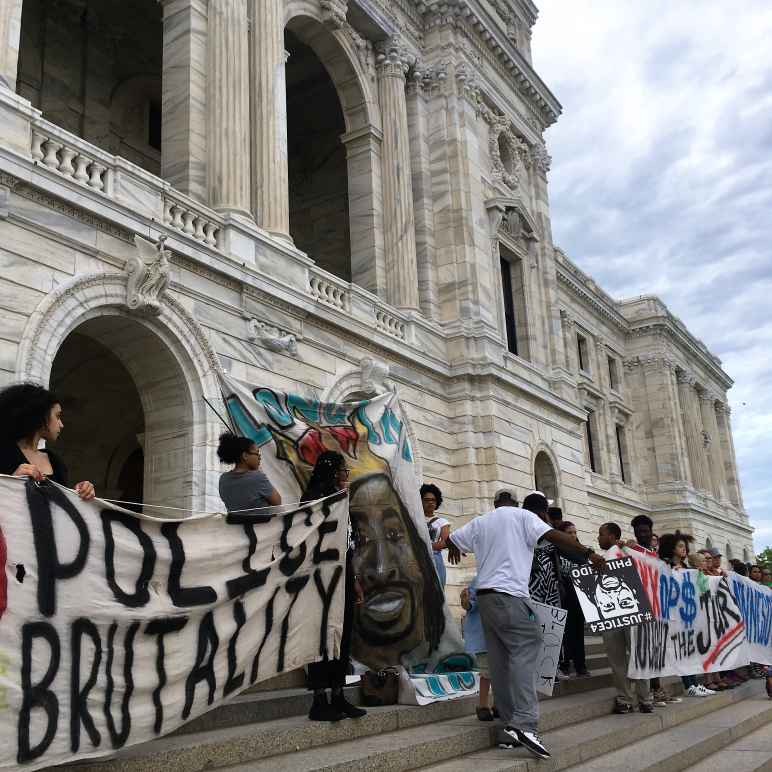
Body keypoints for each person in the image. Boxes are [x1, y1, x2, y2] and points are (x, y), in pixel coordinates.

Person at [445, 492, 606, 759]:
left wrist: (449, 543)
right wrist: (589, 553)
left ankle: (508, 728)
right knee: (527, 646)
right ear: (519, 506)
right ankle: (525, 723)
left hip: (485, 599)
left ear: (496, 505)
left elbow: (447, 542)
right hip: (509, 596)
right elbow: (558, 537)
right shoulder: (524, 517)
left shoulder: (482, 520)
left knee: (500, 662)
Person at [349, 473, 447, 670]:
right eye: (361, 540)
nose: (381, 570)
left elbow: (444, 541)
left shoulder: (440, 522)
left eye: (394, 533)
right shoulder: (417, 518)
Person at [300, 451, 367, 722]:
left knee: (342, 636)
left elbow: (347, 547)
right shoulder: (313, 502)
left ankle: (338, 695)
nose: (345, 477)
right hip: (319, 579)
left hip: (344, 576)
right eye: (343, 471)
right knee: (320, 638)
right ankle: (319, 699)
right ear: (332, 473)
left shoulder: (342, 502)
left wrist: (354, 580)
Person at [0, 382, 95, 500]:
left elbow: (60, 509)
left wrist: (80, 493)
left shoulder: (56, 462)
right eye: (58, 416)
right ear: (41, 415)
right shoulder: (3, 453)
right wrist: (9, 484)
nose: (61, 425)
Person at [597, 522, 654, 714]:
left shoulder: (629, 552)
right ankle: (644, 699)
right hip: (622, 612)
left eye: (601, 534)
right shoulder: (603, 558)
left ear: (612, 536)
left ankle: (627, 698)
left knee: (618, 658)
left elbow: (651, 564)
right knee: (633, 655)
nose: (598, 538)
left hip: (622, 612)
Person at [626, 514, 680, 707]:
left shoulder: (657, 555)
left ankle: (657, 688)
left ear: (651, 532)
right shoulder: (631, 551)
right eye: (639, 532)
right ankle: (649, 690)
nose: (642, 534)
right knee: (645, 647)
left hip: (659, 608)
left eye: (645, 531)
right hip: (641, 606)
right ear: (634, 533)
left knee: (657, 648)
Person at [659, 532, 715, 697]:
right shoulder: (665, 565)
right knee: (681, 650)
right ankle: (688, 684)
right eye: (680, 546)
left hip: (690, 616)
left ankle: (695, 683)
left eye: (684, 546)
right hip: (675, 616)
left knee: (691, 651)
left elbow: (701, 588)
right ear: (672, 548)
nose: (684, 549)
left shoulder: (687, 568)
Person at [461, 576, 498, 722]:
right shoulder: (480, 579)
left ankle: (497, 704)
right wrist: (466, 602)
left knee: (499, 672)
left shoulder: (502, 577)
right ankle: (482, 705)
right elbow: (471, 604)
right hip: (484, 636)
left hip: (498, 634)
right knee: (486, 672)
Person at [217, 432, 281, 512]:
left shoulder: (223, 479)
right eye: (257, 453)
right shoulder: (257, 477)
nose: (259, 457)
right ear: (245, 456)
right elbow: (277, 502)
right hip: (262, 523)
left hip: (237, 523)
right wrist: (259, 473)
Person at [557, 521, 589, 678]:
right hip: (563, 595)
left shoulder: (581, 552)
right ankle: (564, 664)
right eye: (569, 532)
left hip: (579, 595)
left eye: (575, 532)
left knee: (578, 631)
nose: (573, 535)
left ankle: (580, 666)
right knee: (564, 632)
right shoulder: (556, 551)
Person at [421, 483, 450, 589]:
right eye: (427, 500)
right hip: (417, 559)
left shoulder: (443, 522)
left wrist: (425, 546)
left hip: (435, 558)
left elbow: (445, 542)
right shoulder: (414, 519)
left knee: (437, 590)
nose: (430, 502)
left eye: (433, 500)